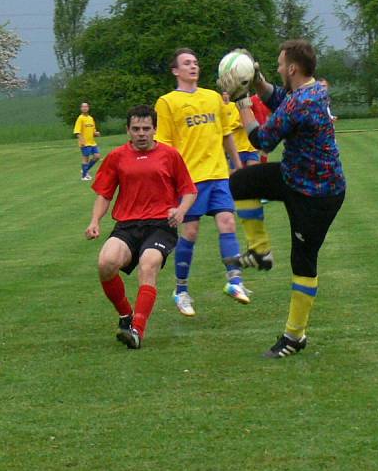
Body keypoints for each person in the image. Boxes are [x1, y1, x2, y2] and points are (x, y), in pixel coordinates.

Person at [223, 39, 346, 358]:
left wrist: (242, 99)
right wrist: (258, 80)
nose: (277, 68)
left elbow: (261, 139)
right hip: (296, 177)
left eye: (279, 64)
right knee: (241, 182)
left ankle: (295, 337)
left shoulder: (303, 102)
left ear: (292, 68)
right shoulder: (312, 89)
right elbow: (280, 97)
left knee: (302, 263)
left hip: (318, 194)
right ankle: (260, 251)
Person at [155, 48, 260, 316]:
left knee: (228, 222)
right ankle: (181, 291)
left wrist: (237, 167)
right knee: (190, 233)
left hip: (218, 175)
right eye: (187, 63)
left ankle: (234, 281)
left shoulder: (213, 98)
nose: (193, 66)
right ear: (175, 71)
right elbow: (164, 146)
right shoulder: (167, 102)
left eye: (196, 62)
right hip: (189, 180)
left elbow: (227, 135)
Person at [86, 104, 197, 349]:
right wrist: (95, 221)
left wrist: (180, 211)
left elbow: (189, 191)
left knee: (148, 264)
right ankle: (126, 315)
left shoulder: (170, 155)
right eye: (136, 129)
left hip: (160, 225)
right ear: (128, 130)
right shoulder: (116, 157)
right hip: (127, 225)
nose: (141, 133)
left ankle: (137, 330)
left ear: (155, 129)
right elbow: (104, 194)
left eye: (146, 128)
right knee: (106, 263)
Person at [222, 98, 273, 267]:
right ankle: (258, 248)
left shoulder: (246, 106)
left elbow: (251, 123)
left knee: (254, 180)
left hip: (250, 148)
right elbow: (229, 126)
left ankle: (259, 247)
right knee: (236, 181)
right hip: (236, 150)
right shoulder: (227, 107)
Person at [73, 102, 101, 180]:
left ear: (88, 108)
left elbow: (93, 131)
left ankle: (85, 170)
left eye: (86, 107)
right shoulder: (80, 118)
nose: (85, 108)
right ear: (81, 108)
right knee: (86, 158)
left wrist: (96, 133)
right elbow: (77, 132)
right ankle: (84, 176)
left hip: (92, 142)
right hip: (84, 143)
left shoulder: (90, 118)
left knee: (97, 156)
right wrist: (81, 141)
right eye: (83, 107)